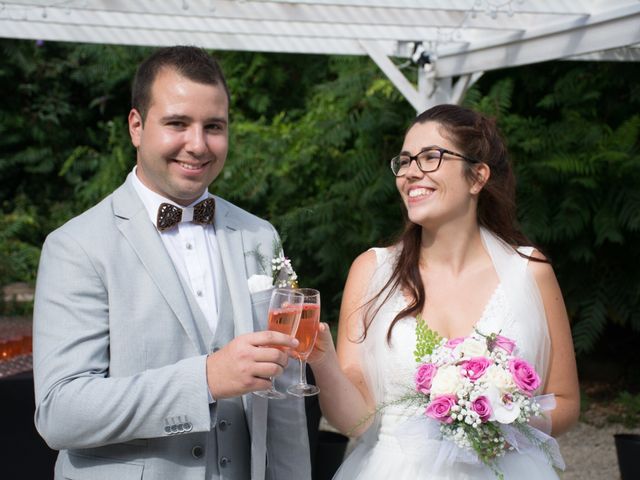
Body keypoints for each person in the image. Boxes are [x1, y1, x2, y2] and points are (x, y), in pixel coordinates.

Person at [32, 45, 311, 480]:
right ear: (137, 127)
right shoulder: (77, 246)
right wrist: (204, 380)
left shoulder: (260, 235)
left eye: (214, 127)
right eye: (178, 123)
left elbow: (285, 396)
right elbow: (60, 412)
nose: (198, 145)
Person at [309, 104, 580, 479]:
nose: (410, 172)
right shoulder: (372, 271)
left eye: (430, 157)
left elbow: (566, 402)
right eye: (403, 161)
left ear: (477, 177)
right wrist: (321, 361)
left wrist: (502, 415)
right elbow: (356, 422)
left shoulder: (530, 271)